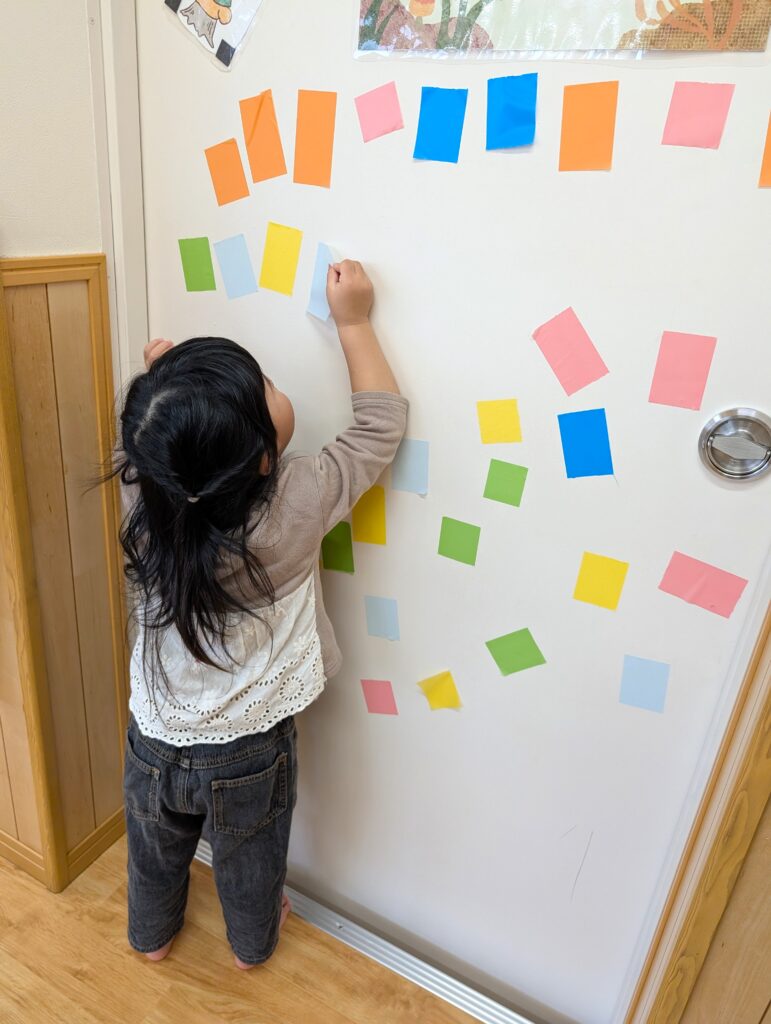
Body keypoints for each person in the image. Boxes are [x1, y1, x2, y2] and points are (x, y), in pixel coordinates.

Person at [111, 260, 407, 969]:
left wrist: (167, 381)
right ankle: (250, 949)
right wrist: (355, 322)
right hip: (248, 749)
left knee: (154, 850)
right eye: (268, 389)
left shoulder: (145, 503)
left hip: (153, 737)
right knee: (249, 861)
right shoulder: (299, 501)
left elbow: (153, 445)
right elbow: (378, 429)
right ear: (265, 462)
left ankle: (149, 941)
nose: (279, 388)